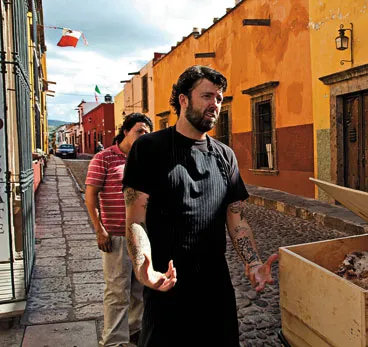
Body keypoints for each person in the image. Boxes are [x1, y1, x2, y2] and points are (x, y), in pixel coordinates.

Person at [122, 65, 278, 347]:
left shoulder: (225, 156)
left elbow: (236, 218)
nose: (214, 105)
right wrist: (142, 263)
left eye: (219, 99)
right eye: (207, 96)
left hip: (215, 288)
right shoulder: (149, 149)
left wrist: (252, 262)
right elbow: (136, 218)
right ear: (183, 100)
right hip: (166, 283)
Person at [85, 113, 153, 347]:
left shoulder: (145, 160)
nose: (144, 136)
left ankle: (134, 330)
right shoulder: (104, 158)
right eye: (140, 131)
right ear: (126, 131)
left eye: (147, 133)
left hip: (142, 236)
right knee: (116, 292)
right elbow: (91, 196)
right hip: (115, 236)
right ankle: (114, 340)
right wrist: (99, 229)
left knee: (139, 288)